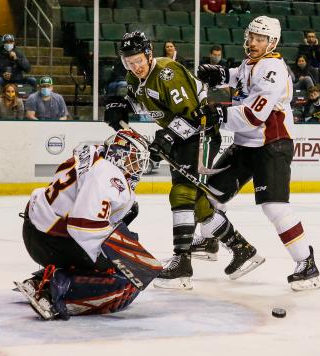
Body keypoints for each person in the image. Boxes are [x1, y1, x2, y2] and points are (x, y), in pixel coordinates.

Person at [104, 31, 261, 290]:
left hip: (200, 135)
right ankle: (242, 249)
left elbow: (194, 115)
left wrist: (167, 136)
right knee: (197, 203)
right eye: (129, 62)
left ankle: (182, 265)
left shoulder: (168, 73)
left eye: (138, 60)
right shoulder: (134, 77)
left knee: (181, 195)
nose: (135, 66)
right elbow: (145, 103)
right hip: (179, 138)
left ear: (149, 54)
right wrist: (121, 105)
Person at [197, 16, 320, 290]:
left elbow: (253, 115)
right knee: (208, 198)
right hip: (246, 144)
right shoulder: (250, 63)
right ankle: (209, 240)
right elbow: (241, 77)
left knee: (275, 207)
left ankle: (307, 265)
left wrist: (218, 113)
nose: (253, 42)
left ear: (272, 42)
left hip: (272, 145)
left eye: (260, 39)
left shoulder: (273, 69)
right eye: (251, 36)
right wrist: (221, 74)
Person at [15, 130, 154, 320]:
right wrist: (122, 254)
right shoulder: (109, 175)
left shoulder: (93, 152)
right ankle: (53, 292)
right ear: (119, 155)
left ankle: (42, 278)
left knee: (118, 250)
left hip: (36, 229)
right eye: (135, 160)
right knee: (127, 281)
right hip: (51, 241)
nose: (137, 168)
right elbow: (82, 226)